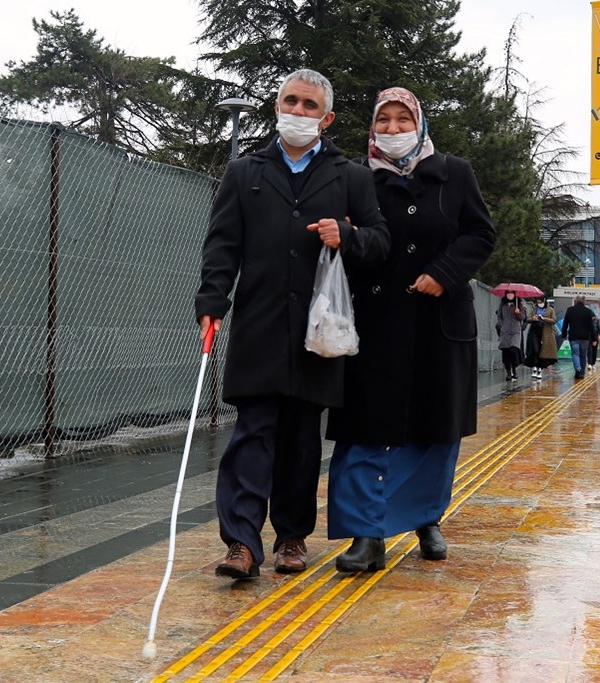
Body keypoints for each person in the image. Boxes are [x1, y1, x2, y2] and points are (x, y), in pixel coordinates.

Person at [195, 69, 390, 580]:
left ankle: (291, 537)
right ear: (276, 107)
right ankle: (240, 542)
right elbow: (222, 245)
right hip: (259, 322)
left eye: (309, 106)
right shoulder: (245, 172)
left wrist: (346, 234)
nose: (298, 112)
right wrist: (211, 301)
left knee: (302, 437)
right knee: (253, 431)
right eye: (290, 101)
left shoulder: (351, 176)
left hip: (318, 332)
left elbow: (380, 241)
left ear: (326, 118)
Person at [324, 86, 496, 572]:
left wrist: (445, 272)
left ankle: (427, 517)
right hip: (376, 322)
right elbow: (347, 237)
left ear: (419, 124)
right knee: (365, 428)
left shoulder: (455, 172)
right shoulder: (358, 177)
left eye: (404, 119)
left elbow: (480, 233)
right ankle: (365, 534)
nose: (394, 129)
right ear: (373, 127)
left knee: (434, 427)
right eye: (385, 120)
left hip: (440, 323)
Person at [560, 295, 595, 379]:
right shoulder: (588, 311)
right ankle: (582, 373)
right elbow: (591, 326)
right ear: (584, 301)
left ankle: (577, 368)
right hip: (585, 337)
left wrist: (564, 334)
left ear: (576, 301)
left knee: (575, 354)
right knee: (583, 355)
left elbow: (565, 324)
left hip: (573, 336)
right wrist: (594, 338)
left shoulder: (570, 310)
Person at [523, 295, 557, 379]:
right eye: (537, 302)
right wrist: (533, 318)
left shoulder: (550, 309)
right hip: (535, 331)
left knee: (543, 352)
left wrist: (544, 318)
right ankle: (534, 367)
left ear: (544, 301)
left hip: (545, 333)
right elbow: (528, 319)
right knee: (535, 349)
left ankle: (540, 369)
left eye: (540, 302)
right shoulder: (534, 308)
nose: (539, 304)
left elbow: (553, 320)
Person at [496, 291, 526, 381]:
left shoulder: (519, 304)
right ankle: (508, 372)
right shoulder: (502, 305)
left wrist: (518, 313)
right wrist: (501, 326)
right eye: (508, 293)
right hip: (505, 331)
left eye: (512, 293)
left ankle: (514, 369)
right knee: (506, 351)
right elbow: (499, 316)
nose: (510, 295)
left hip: (515, 331)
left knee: (513, 349)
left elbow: (523, 317)